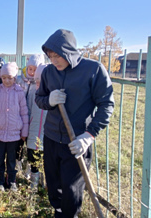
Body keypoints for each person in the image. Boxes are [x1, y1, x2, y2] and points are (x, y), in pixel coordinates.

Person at [35, 29, 114, 217]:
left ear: (69, 51)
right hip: (52, 137)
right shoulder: (48, 72)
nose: (54, 60)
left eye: (58, 55)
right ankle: (58, 212)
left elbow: (106, 105)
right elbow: (40, 99)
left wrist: (89, 136)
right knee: (54, 187)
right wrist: (50, 101)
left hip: (77, 141)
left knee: (72, 190)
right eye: (50, 56)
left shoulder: (93, 70)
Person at [0, 62, 29, 192]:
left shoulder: (20, 93)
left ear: (15, 78)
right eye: (4, 78)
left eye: (10, 78)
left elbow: (24, 113)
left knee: (11, 160)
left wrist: (24, 131)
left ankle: (11, 181)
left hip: (14, 135)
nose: (6, 80)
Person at [16, 54, 45, 170]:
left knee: (31, 144)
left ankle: (29, 166)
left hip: (32, 120)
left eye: (35, 70)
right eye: (30, 69)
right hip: (19, 117)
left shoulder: (38, 85)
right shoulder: (20, 80)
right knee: (18, 142)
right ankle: (18, 162)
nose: (32, 72)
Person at [25, 64, 47, 190]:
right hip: (33, 129)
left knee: (45, 158)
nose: (39, 84)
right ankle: (33, 185)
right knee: (33, 155)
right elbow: (28, 108)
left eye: (41, 81)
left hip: (47, 131)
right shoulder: (33, 90)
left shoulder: (53, 95)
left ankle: (44, 184)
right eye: (37, 81)